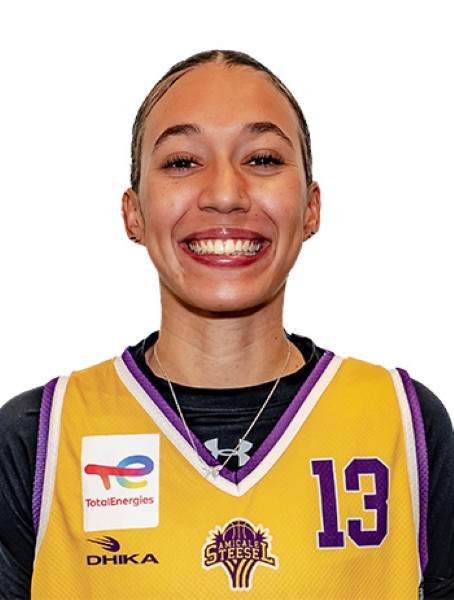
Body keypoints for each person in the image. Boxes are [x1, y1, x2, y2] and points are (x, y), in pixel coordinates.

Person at [0, 49, 453, 599]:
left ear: (310, 207)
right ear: (133, 213)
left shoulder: (405, 424)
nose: (224, 195)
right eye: (181, 162)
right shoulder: (40, 438)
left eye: (261, 159)